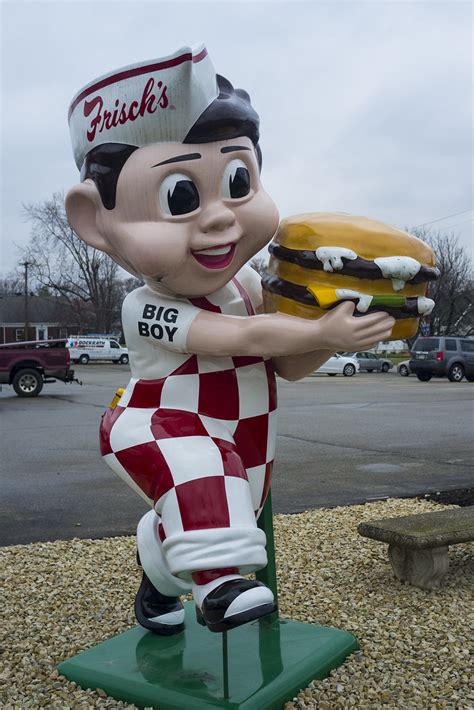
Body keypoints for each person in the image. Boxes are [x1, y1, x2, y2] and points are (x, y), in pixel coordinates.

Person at [66, 44, 394, 635]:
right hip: (160, 424)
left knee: (223, 503)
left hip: (245, 431)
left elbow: (285, 363)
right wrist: (319, 327)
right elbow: (237, 335)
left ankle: (158, 572)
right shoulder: (148, 306)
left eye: (238, 182)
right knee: (206, 475)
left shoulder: (246, 282)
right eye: (181, 197)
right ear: (97, 221)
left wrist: (336, 335)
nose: (219, 218)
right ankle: (219, 589)